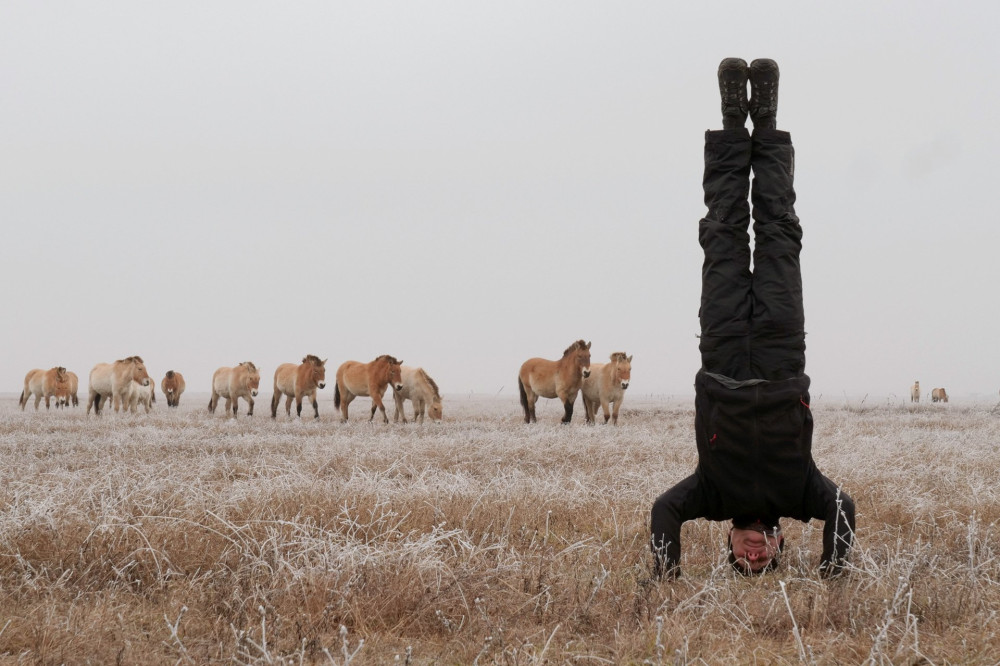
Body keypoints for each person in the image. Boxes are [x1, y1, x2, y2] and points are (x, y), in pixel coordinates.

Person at [649, 58, 856, 578]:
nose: (755, 552)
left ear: (729, 544)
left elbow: (663, 511)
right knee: (780, 231)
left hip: (720, 349)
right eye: (765, 557)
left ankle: (730, 124)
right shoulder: (802, 491)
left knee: (722, 232)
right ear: (781, 541)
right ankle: (766, 124)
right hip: (783, 348)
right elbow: (843, 508)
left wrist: (666, 580)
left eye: (745, 558)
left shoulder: (710, 495)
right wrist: (834, 579)